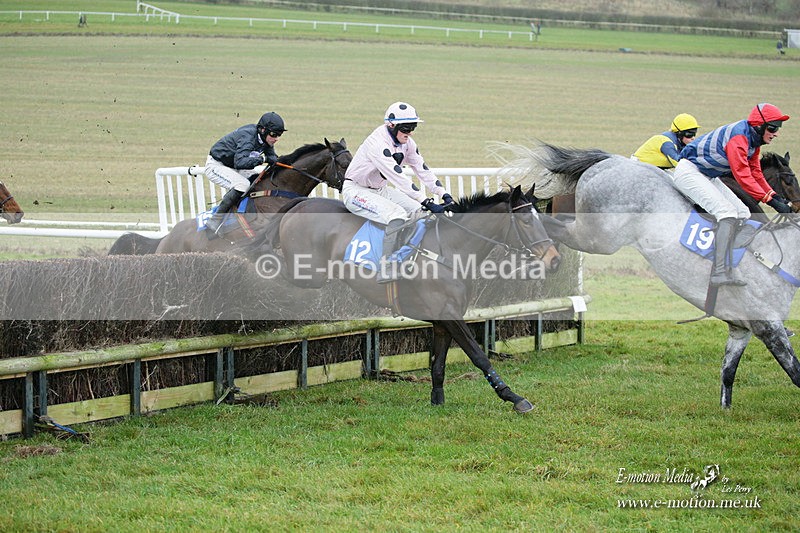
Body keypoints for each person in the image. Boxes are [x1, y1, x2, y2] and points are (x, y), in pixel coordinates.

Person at [673, 103, 791, 286]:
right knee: (727, 213)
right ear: (759, 126)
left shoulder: (753, 141)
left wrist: (774, 196)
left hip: (706, 175)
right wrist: (770, 201)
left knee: (743, 214)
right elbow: (742, 175)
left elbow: (756, 173)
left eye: (777, 129)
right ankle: (718, 272)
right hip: (689, 172)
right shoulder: (739, 138)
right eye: (773, 128)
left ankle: (727, 259)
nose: (776, 133)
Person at [342, 101, 453, 283]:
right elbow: (398, 177)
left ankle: (407, 256)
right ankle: (385, 267)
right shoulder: (377, 144)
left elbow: (422, 169)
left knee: (421, 213)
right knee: (397, 215)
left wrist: (443, 193)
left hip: (379, 190)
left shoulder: (407, 143)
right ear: (391, 125)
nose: (409, 133)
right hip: (355, 191)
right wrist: (428, 201)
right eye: (406, 128)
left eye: (413, 127)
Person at [203, 112, 286, 237]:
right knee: (242, 185)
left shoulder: (264, 139)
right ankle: (215, 220)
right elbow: (240, 162)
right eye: (273, 134)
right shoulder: (248, 137)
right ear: (263, 130)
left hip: (232, 167)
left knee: (257, 179)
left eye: (279, 135)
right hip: (217, 165)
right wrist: (262, 160)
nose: (276, 138)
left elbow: (271, 156)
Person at [632, 113, 699, 169]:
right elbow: (678, 163)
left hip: (654, 168)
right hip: (638, 166)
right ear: (679, 134)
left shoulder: (681, 143)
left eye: (694, 134)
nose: (693, 138)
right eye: (689, 134)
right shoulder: (667, 143)